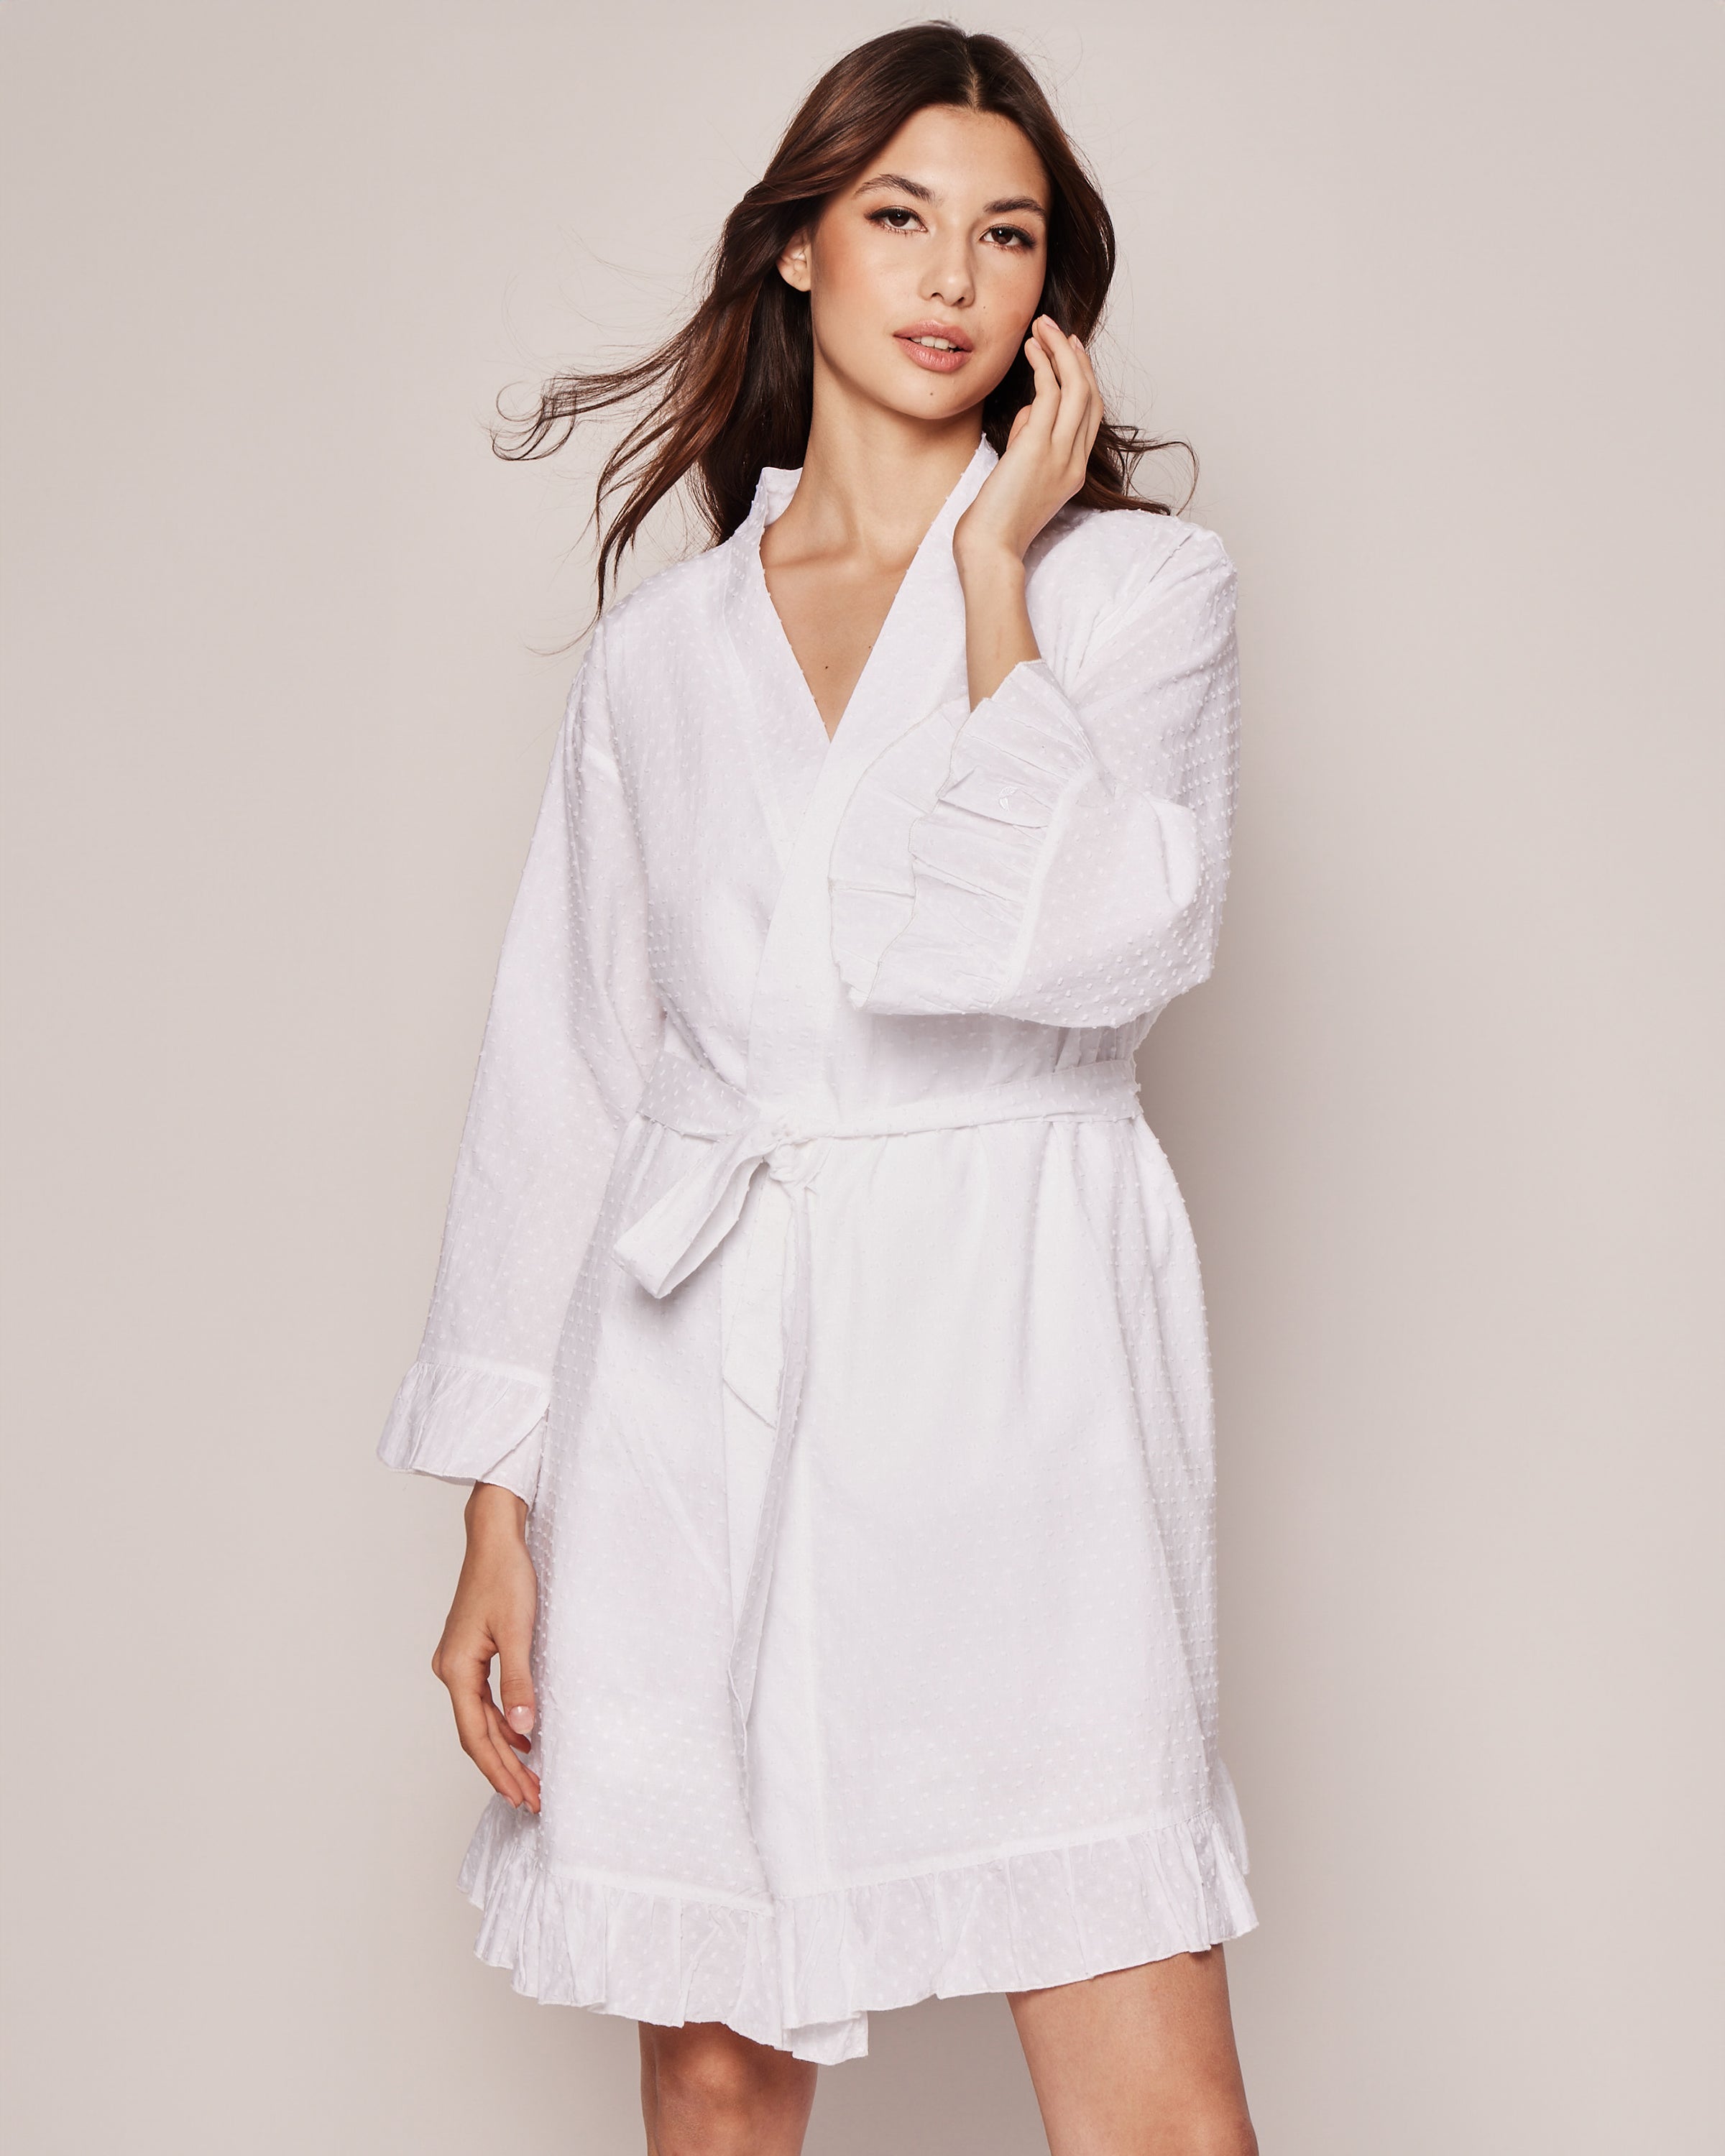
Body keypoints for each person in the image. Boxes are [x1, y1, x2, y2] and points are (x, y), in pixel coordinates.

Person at [378, 23, 1259, 2154]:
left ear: (1052, 296)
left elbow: (1107, 934)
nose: (952, 277)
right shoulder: (665, 660)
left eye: (1007, 235)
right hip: (693, 1362)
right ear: (798, 251)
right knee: (709, 2057)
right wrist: (509, 1497)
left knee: (1139, 2061)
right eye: (898, 218)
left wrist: (989, 583)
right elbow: (572, 1068)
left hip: (1016, 1356)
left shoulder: (1131, 592)